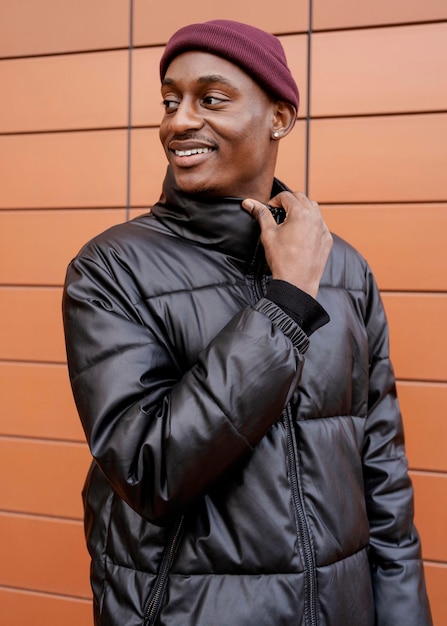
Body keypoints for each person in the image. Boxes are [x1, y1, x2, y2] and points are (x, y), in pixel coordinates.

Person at [62, 19, 432, 626]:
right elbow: (151, 469)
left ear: (279, 118)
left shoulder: (344, 269)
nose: (178, 121)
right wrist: (284, 302)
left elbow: (382, 475)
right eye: (170, 101)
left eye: (210, 99)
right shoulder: (112, 269)